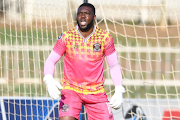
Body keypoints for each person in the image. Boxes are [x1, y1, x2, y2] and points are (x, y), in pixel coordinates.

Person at [43, 3, 125, 120]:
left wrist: (118, 89)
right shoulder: (67, 36)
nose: (82, 16)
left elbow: (114, 65)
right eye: (79, 13)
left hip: (96, 91)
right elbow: (51, 60)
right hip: (71, 90)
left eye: (86, 13)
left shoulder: (104, 38)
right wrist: (48, 79)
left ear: (94, 17)